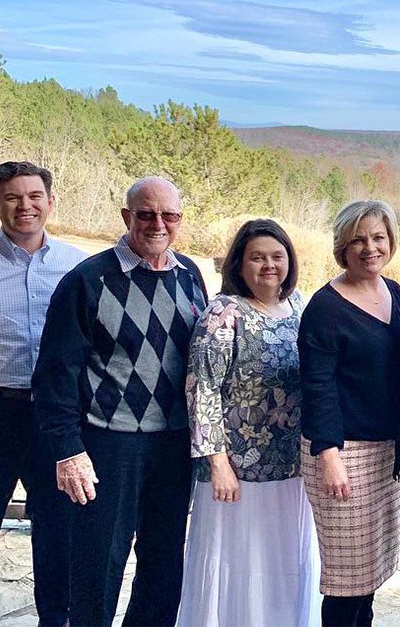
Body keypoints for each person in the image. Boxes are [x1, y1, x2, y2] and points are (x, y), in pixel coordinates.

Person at [32, 176, 208, 627]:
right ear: (126, 216)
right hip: (109, 443)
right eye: (146, 214)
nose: (158, 224)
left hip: (172, 443)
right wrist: (68, 451)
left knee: (165, 558)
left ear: (180, 220)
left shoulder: (190, 276)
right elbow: (56, 376)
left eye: (169, 215)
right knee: (97, 562)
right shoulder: (87, 281)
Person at [177, 219, 320, 626]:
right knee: (237, 567)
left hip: (292, 467)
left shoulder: (300, 308)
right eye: (257, 257)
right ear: (239, 264)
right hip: (236, 473)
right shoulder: (223, 313)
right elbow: (201, 389)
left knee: (282, 564)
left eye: (278, 257)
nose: (269, 265)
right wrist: (218, 463)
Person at [300, 200, 400, 627]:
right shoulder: (325, 309)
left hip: (386, 452)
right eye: (358, 240)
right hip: (342, 452)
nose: (370, 248)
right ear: (342, 246)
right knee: (346, 581)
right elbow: (318, 387)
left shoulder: (394, 291)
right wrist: (328, 456)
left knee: (371, 572)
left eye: (378, 237)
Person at [0, 161, 85, 627]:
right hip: (0, 407)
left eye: (34, 196)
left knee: (58, 532)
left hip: (55, 419)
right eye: (12, 196)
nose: (24, 206)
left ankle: (58, 619)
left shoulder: (77, 266)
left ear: (51, 202)